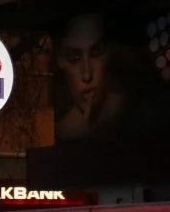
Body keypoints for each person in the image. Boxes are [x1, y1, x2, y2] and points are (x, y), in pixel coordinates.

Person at [52, 13, 126, 141]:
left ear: (109, 51)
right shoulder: (57, 134)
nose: (87, 75)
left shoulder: (131, 108)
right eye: (74, 58)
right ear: (60, 59)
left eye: (96, 53)